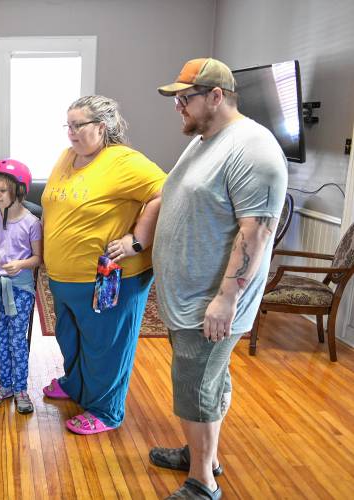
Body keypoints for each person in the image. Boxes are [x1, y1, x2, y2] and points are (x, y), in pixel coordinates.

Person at [150, 58, 288, 500]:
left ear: (216, 96)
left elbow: (256, 232)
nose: (178, 108)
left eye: (184, 99)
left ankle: (202, 483)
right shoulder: (206, 138)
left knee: (197, 387)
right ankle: (200, 454)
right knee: (204, 383)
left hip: (210, 302)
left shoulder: (253, 149)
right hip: (187, 297)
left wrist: (226, 300)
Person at [41, 95, 166, 434]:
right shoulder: (69, 156)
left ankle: (106, 411)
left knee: (106, 345)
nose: (70, 133)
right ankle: (77, 385)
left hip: (109, 277)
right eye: (68, 125)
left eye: (77, 125)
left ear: (102, 126)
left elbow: (165, 192)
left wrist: (135, 241)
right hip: (63, 277)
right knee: (72, 338)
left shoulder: (122, 161)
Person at [0, 159, 42, 414]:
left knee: (18, 338)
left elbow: (38, 259)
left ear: (19, 190)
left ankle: (21, 389)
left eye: (2, 190)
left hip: (20, 288)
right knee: (0, 337)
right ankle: (5, 385)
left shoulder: (32, 223)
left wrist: (21, 264)